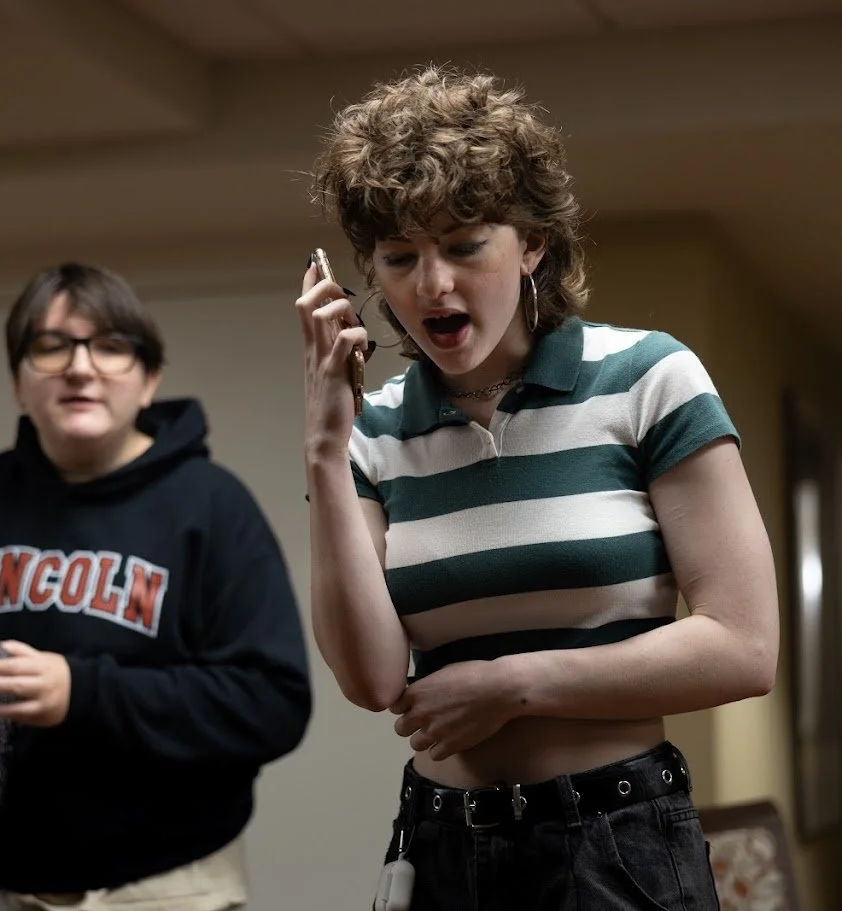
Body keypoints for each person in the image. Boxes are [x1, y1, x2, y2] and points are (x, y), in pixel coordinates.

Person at [296, 67, 778, 910]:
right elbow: (373, 679)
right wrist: (324, 448)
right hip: (440, 845)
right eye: (399, 258)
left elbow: (743, 645)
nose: (431, 285)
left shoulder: (647, 379)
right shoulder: (372, 429)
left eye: (463, 245)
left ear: (532, 245)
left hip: (614, 843)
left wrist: (512, 684)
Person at [0, 262, 312, 910]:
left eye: (110, 345)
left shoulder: (211, 506)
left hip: (161, 886)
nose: (79, 366)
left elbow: (273, 701)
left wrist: (81, 692)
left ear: (149, 379)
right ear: (18, 382)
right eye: (50, 345)